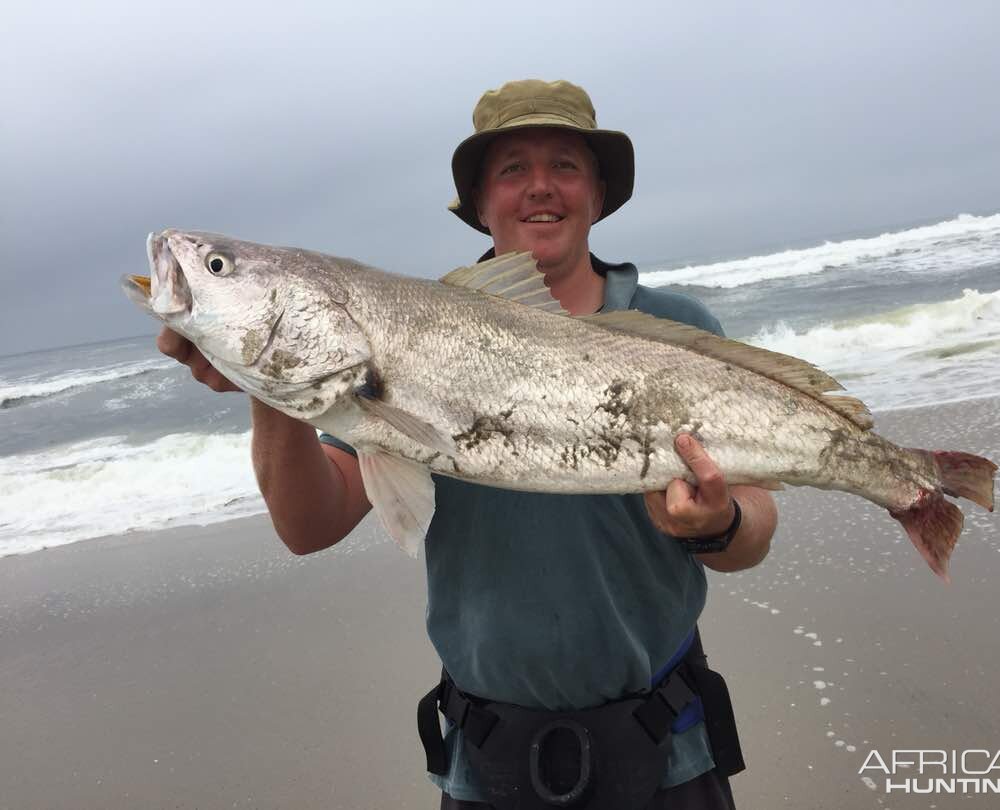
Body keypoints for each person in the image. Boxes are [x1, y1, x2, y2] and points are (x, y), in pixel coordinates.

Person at [157, 78, 777, 810]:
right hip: (487, 763)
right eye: (512, 169)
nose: (539, 188)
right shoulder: (410, 334)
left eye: (566, 165)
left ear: (599, 193)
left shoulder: (678, 326)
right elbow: (308, 526)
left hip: (669, 751)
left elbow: (753, 530)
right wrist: (268, 386)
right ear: (480, 203)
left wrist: (720, 524)